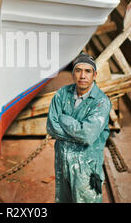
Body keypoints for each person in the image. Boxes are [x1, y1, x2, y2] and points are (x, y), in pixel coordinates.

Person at [46, 52, 111, 203]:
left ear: (95, 75)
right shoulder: (61, 95)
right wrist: (79, 132)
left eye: (87, 71)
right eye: (78, 70)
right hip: (62, 163)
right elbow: (51, 128)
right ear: (73, 74)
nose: (83, 75)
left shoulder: (101, 102)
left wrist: (64, 119)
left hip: (86, 168)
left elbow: (87, 136)